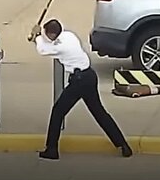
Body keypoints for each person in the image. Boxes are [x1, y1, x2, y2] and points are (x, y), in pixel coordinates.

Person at [31, 19, 133, 160]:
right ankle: (123, 145)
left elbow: (43, 49)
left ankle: (51, 149)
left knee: (58, 111)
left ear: (52, 34)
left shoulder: (59, 47)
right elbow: (50, 42)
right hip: (90, 76)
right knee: (100, 113)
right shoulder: (69, 36)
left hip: (78, 82)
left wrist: (36, 37)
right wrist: (40, 35)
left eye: (47, 34)